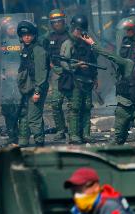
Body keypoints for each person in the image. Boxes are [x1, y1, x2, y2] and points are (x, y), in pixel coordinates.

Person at [81, 34, 135, 145]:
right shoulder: (129, 64)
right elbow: (110, 55)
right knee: (117, 139)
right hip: (124, 107)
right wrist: (92, 44)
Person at [60, 14, 98, 144]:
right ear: (72, 28)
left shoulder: (88, 43)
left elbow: (94, 59)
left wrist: (95, 77)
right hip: (75, 80)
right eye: (77, 29)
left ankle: (86, 133)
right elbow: (64, 63)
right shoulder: (68, 43)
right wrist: (77, 65)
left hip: (87, 80)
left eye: (81, 29)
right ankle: (74, 135)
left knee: (87, 108)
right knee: (75, 108)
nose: (79, 32)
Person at [16, 20, 50, 147]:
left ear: (34, 35)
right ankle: (34, 140)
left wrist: (37, 91)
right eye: (24, 35)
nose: (26, 37)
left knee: (34, 117)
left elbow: (41, 73)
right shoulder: (26, 49)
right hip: (28, 87)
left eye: (29, 34)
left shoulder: (38, 50)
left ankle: (39, 142)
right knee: (30, 115)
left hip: (36, 88)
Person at [0, 16, 21, 146]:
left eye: (13, 28)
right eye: (9, 28)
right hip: (5, 80)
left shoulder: (21, 42)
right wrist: (1, 72)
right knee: (7, 108)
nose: (11, 30)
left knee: (19, 108)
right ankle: (12, 135)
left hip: (19, 79)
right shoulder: (1, 43)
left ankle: (22, 136)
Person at [46, 9, 69, 141]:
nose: (57, 24)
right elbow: (43, 54)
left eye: (59, 22)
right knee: (55, 103)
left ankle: (74, 131)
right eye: (54, 22)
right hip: (56, 73)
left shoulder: (71, 36)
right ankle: (60, 130)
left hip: (71, 73)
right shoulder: (48, 37)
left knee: (73, 104)